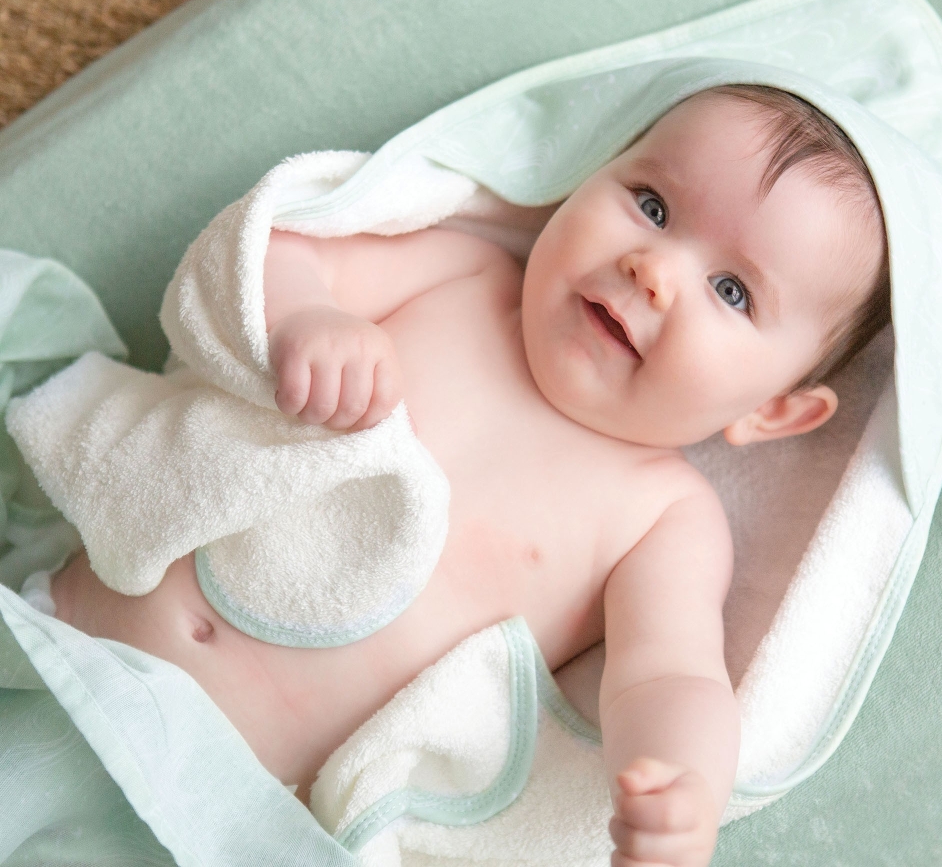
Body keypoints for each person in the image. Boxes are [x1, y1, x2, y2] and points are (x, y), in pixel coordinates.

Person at [50, 84, 889, 867]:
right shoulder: (465, 280)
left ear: (773, 412)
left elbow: (672, 673)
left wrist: (685, 781)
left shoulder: (662, 515)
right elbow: (281, 248)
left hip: (213, 813)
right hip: (64, 644)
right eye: (652, 204)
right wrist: (311, 313)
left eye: (733, 291)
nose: (654, 269)